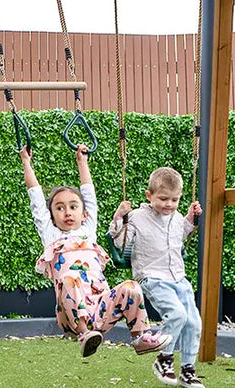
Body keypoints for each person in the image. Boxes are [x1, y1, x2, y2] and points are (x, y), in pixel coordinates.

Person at [21, 143, 170, 358]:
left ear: (84, 214)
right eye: (59, 208)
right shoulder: (51, 236)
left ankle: (140, 337)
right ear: (51, 217)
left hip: (101, 307)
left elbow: (89, 195)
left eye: (73, 206)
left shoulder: (88, 231)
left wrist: (82, 162)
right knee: (69, 279)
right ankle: (84, 335)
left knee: (131, 287)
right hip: (71, 316)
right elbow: (36, 199)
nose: (67, 212)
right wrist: (26, 162)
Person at [110, 166, 205, 388]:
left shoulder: (177, 217)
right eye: (163, 199)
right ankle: (164, 358)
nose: (169, 205)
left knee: (194, 322)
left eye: (174, 200)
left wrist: (191, 219)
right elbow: (118, 241)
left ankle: (188, 370)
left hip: (178, 277)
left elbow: (181, 234)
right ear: (149, 195)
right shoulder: (137, 218)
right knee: (177, 314)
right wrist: (119, 217)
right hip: (152, 276)